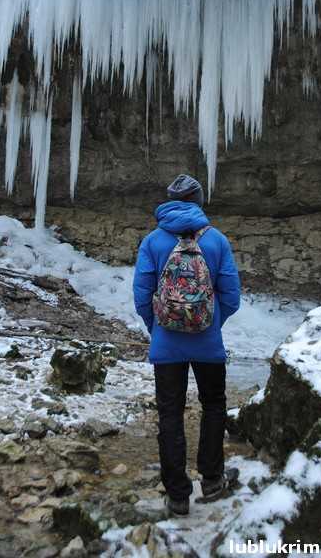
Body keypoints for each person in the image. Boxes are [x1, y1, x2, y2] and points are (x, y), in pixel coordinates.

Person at [133, 173, 241, 517]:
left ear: (170, 201)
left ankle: (178, 495)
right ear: (198, 201)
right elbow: (232, 296)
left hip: (166, 345)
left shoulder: (153, 241)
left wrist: (159, 328)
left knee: (170, 413)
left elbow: (141, 294)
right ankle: (212, 479)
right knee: (214, 405)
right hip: (208, 344)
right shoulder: (217, 240)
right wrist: (210, 324)